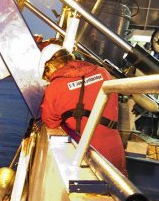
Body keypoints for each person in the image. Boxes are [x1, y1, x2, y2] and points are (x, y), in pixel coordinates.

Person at [38, 44, 127, 173]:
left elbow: (50, 122)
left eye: (46, 75)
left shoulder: (55, 87)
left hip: (87, 157)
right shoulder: (103, 72)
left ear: (50, 66)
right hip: (114, 151)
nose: (47, 78)